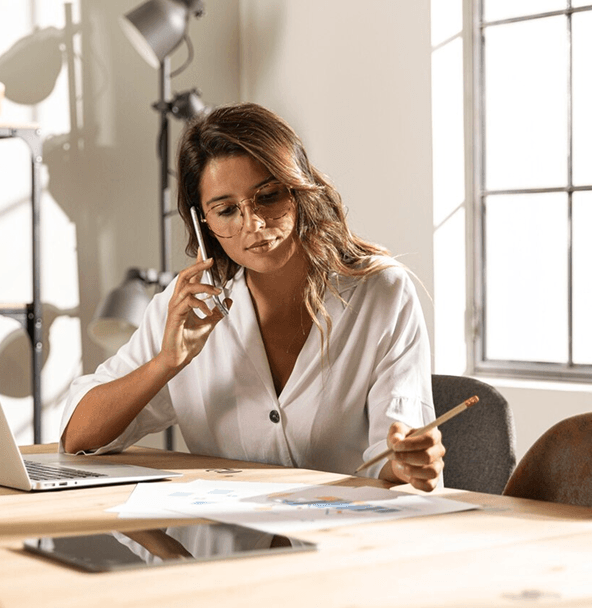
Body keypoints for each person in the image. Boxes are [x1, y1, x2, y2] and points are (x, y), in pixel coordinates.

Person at [60, 102, 444, 491]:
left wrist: (408, 461)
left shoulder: (380, 293)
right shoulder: (188, 308)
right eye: (227, 210)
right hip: (224, 543)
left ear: (298, 189)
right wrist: (167, 362)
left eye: (269, 196)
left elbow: (394, 453)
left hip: (345, 538)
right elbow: (78, 438)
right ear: (203, 222)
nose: (254, 224)